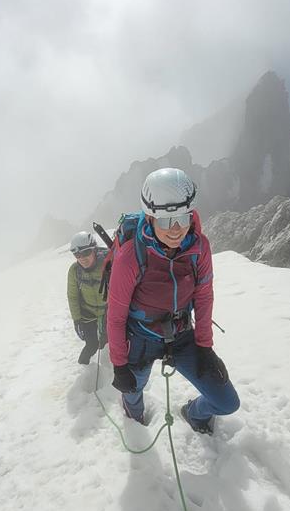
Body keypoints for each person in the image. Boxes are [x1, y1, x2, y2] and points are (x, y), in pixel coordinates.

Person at [105, 168, 239, 434]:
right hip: (141, 338)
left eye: (182, 218)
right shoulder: (131, 256)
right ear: (151, 218)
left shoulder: (199, 247)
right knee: (133, 389)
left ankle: (194, 413)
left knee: (226, 402)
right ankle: (135, 420)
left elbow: (203, 296)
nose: (176, 230)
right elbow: (116, 315)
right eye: (166, 221)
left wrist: (204, 347)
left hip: (182, 336)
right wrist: (120, 365)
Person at [67, 231, 109, 365]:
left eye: (86, 253)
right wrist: (77, 320)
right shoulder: (74, 271)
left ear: (94, 249)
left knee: (106, 344)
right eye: (77, 255)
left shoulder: (108, 264)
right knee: (91, 344)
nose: (82, 258)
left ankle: (107, 373)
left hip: (108, 312)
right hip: (88, 313)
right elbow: (72, 296)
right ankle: (84, 370)